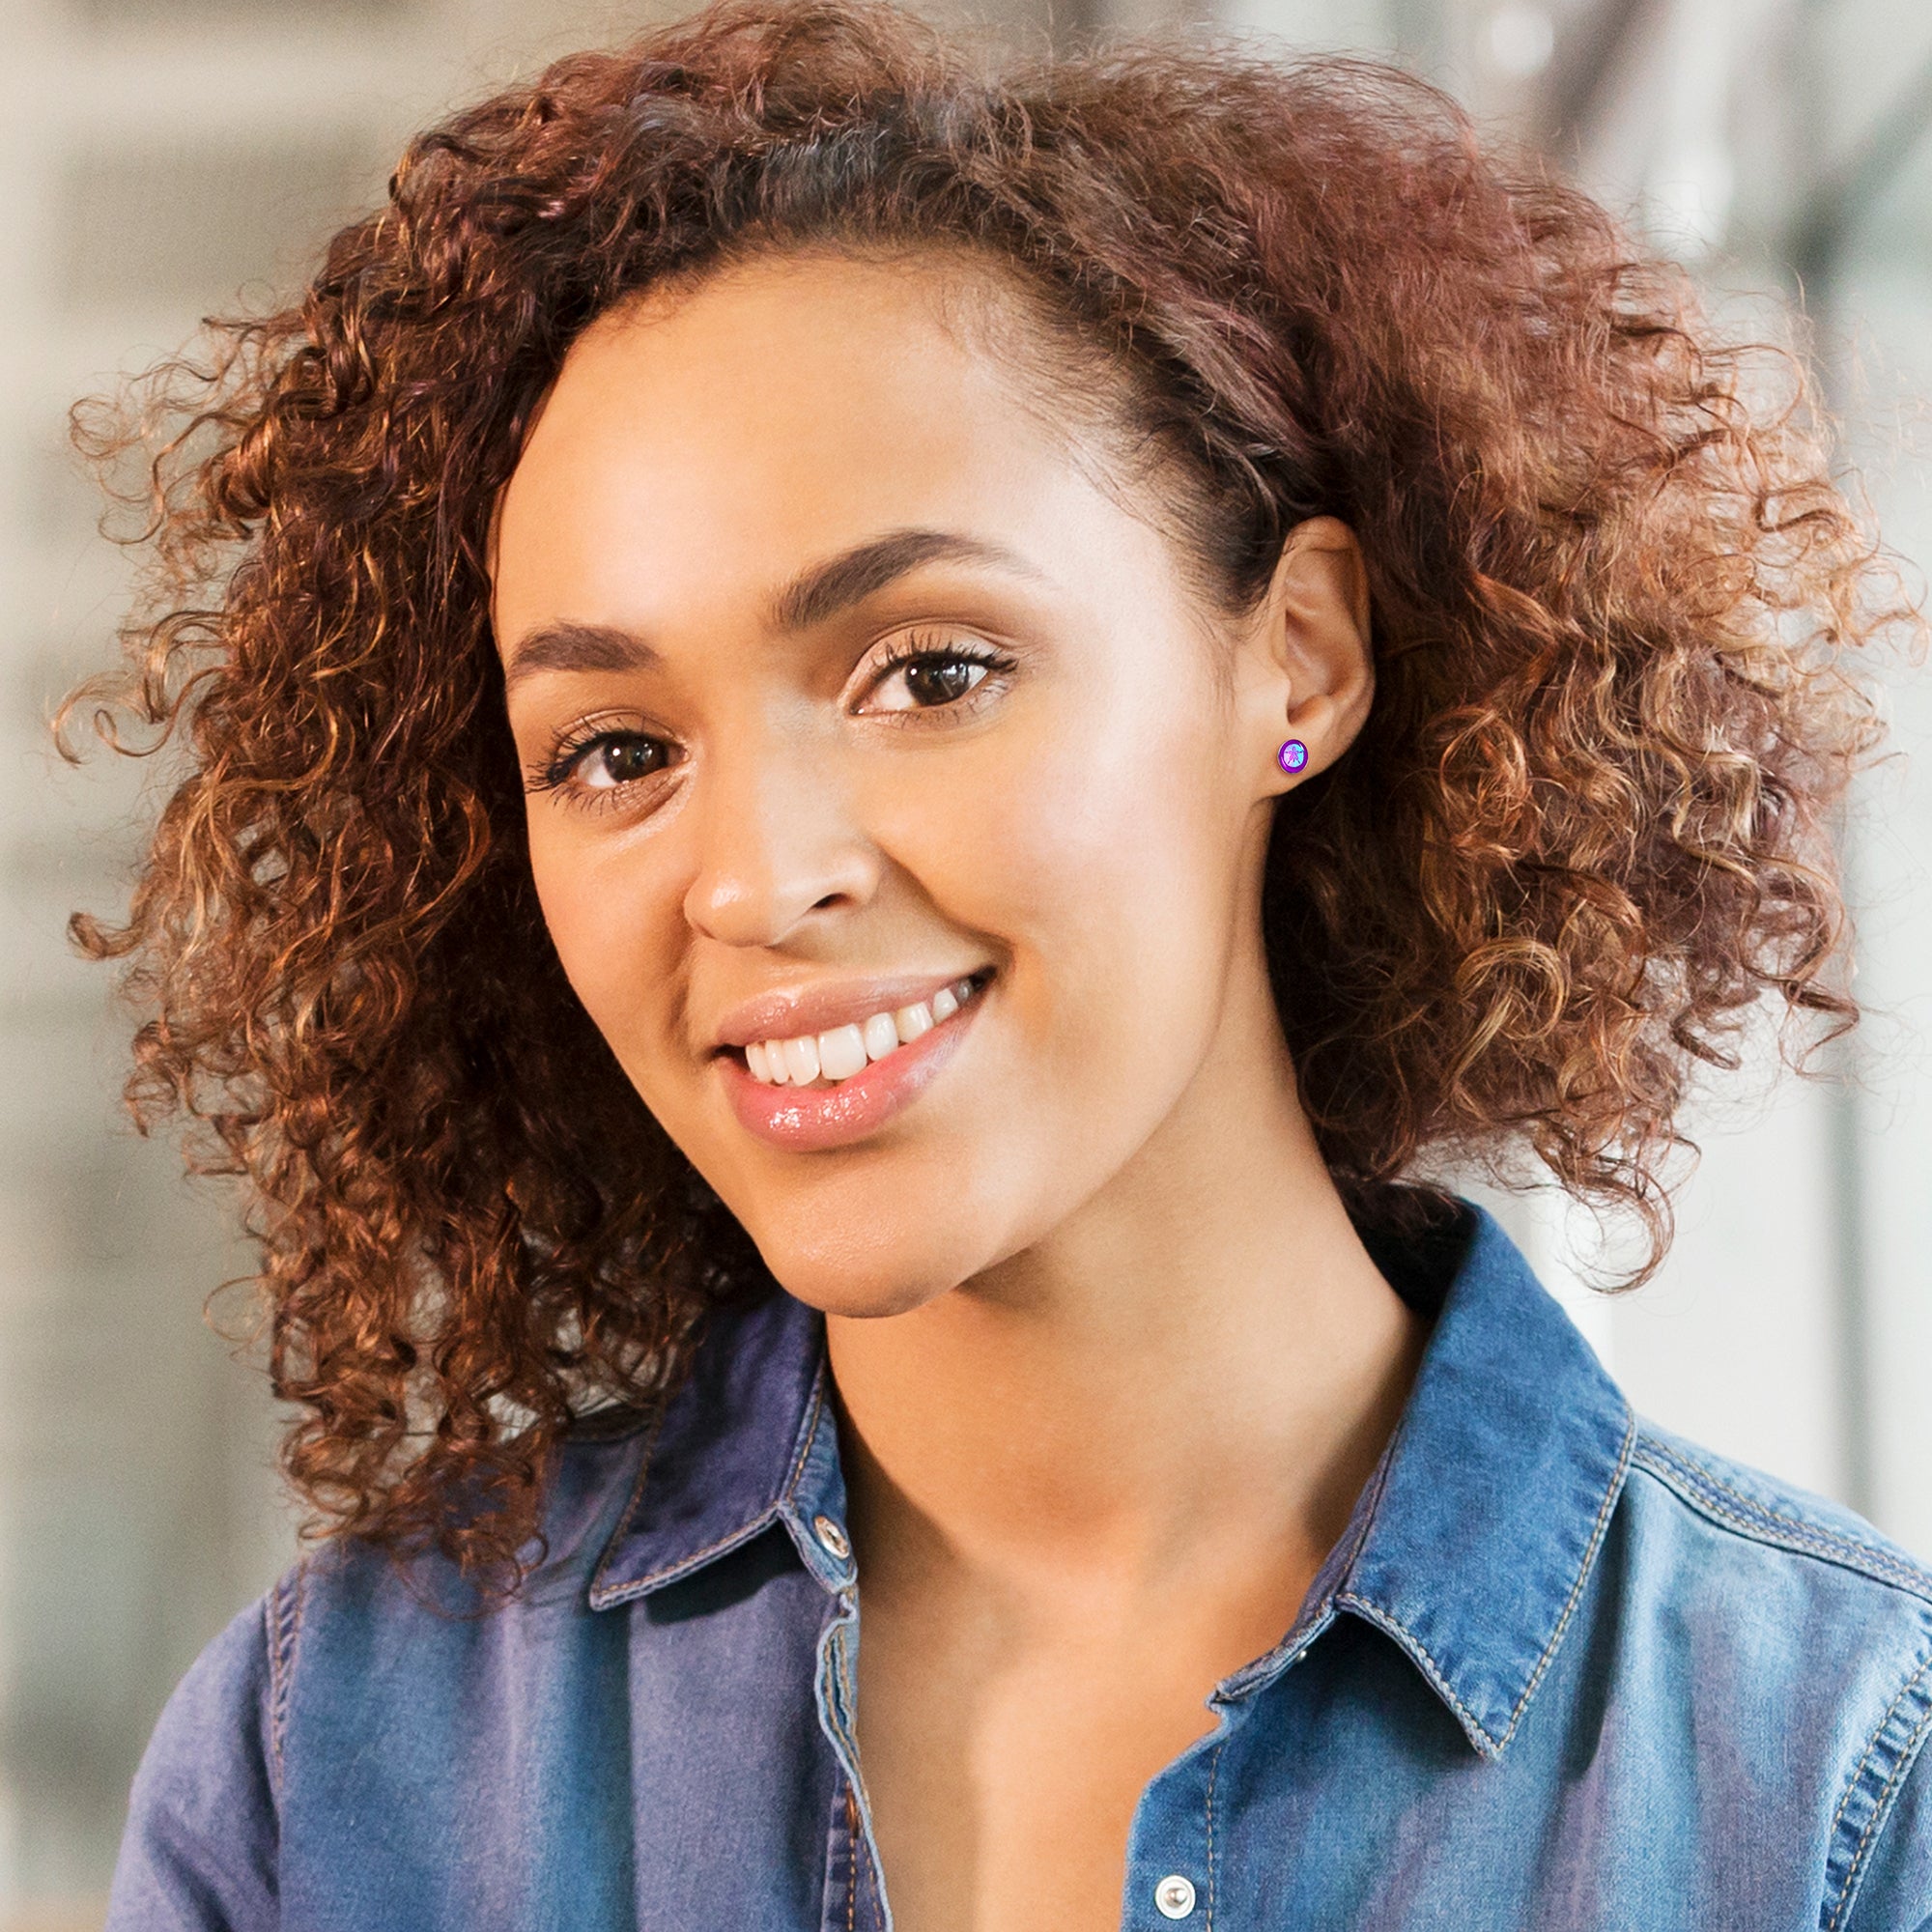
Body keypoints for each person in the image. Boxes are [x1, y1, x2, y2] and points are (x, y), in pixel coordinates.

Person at [75, 1, 1932, 1925]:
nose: (753, 881)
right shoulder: (337, 1762)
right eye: (616, 751)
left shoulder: (1826, 1784)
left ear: (1293, 655)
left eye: (930, 674)